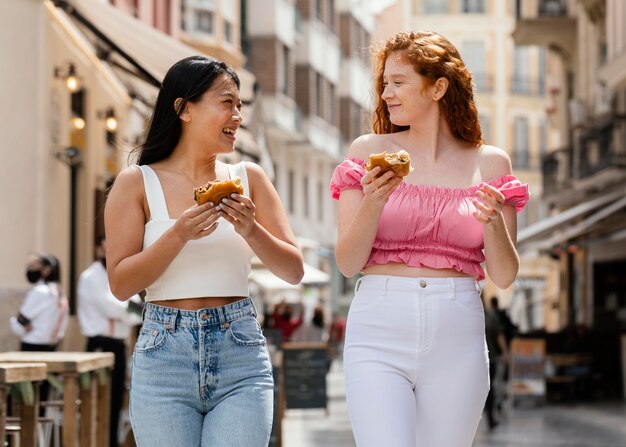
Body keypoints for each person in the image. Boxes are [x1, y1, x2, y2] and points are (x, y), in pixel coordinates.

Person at [329, 31, 530, 447]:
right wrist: (374, 200)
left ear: (438, 87)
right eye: (384, 83)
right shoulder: (369, 152)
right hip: (379, 325)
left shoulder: (491, 162)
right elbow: (348, 263)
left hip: (458, 330)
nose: (386, 94)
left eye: (398, 82)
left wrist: (493, 223)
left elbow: (505, 275)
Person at [104, 55, 304, 447]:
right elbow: (121, 284)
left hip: (240, 351)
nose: (238, 116)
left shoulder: (249, 178)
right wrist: (178, 234)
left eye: (240, 105)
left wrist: (251, 229)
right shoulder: (136, 183)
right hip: (164, 356)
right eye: (227, 102)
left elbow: (294, 270)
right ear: (184, 109)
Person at [77, 235, 141, 447]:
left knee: (114, 400)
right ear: (98, 250)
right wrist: (127, 309)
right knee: (95, 399)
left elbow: (138, 312)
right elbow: (113, 307)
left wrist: (128, 310)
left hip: (118, 345)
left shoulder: (123, 275)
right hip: (98, 344)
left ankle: (111, 442)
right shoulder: (90, 277)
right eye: (105, 249)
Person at [10, 253, 69, 409]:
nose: (29, 270)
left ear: (46, 269)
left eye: (33, 266)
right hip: (51, 349)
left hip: (31, 350)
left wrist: (18, 322)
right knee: (42, 401)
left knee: (26, 403)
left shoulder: (40, 292)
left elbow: (18, 325)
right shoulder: (60, 293)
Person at [484, 301, 509, 430]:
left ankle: (490, 418)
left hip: (489, 359)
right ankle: (490, 418)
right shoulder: (489, 316)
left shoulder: (489, 317)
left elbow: (499, 335)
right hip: (484, 360)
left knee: (489, 390)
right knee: (489, 390)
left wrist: (505, 352)